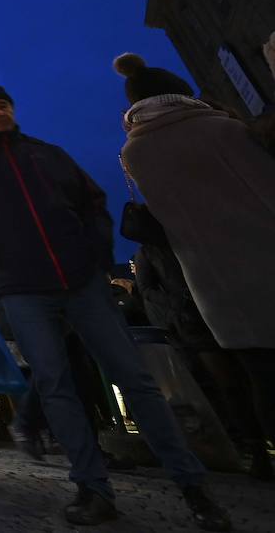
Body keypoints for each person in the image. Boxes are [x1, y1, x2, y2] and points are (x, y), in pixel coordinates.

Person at [0, 84, 229, 530]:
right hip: (22, 289)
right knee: (56, 385)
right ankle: (92, 488)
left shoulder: (47, 154)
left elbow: (93, 201)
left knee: (135, 380)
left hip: (81, 282)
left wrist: (95, 254)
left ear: (12, 109)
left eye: (2, 105)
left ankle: (193, 485)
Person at [115, 53, 275, 458]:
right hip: (262, 256)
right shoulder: (222, 128)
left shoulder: (134, 152)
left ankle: (255, 449)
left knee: (258, 374)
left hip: (210, 281)